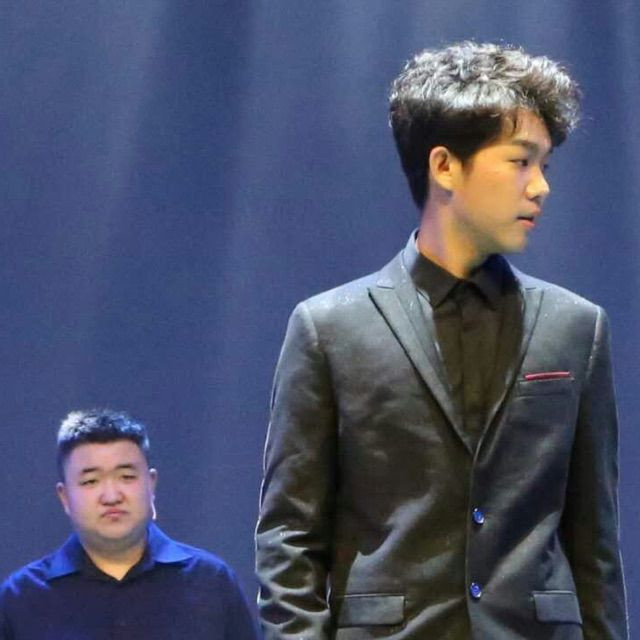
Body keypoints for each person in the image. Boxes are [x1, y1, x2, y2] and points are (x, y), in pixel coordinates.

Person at [255, 42, 627, 639]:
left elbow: (595, 544)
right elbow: (290, 539)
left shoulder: (576, 327)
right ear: (445, 166)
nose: (540, 188)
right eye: (520, 161)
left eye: (545, 166)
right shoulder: (329, 328)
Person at [0, 409, 260, 640]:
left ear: (151, 484)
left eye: (126, 477)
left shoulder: (210, 582)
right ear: (65, 497)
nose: (111, 496)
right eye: (90, 481)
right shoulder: (21, 597)